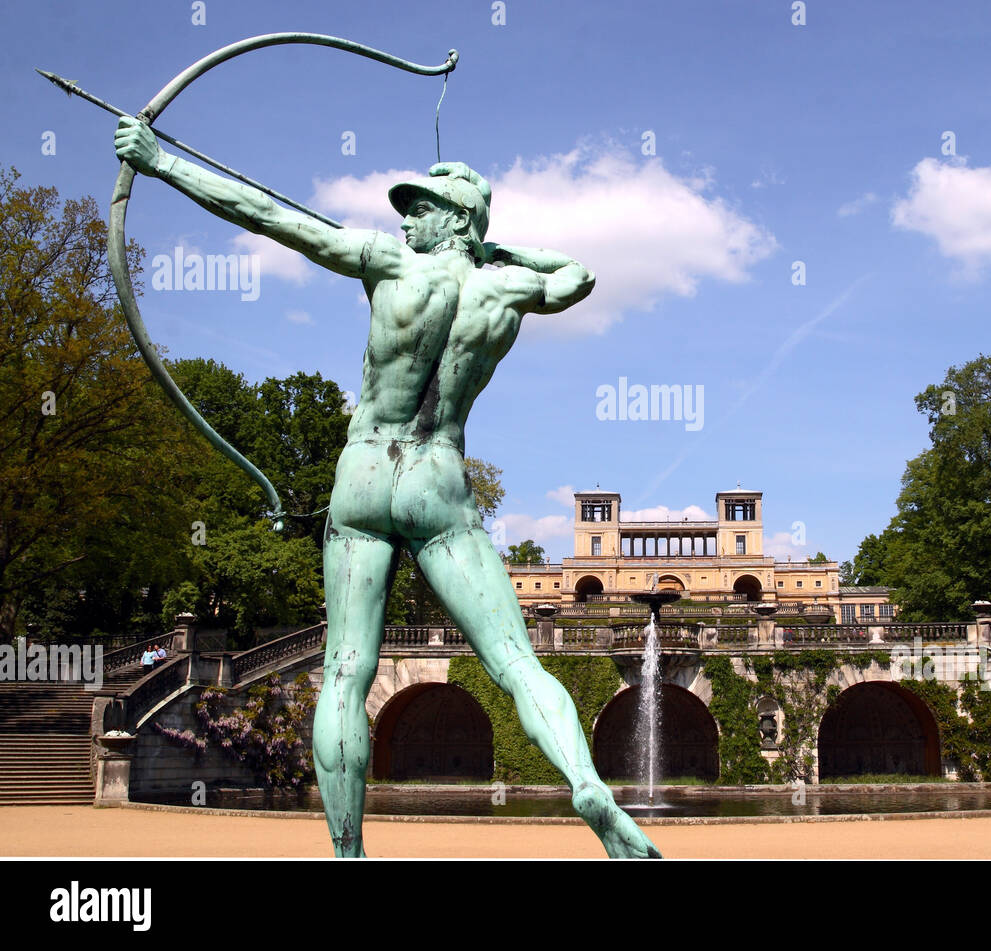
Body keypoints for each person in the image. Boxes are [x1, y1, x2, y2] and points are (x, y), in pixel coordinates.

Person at [114, 117, 660, 859]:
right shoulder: (506, 288)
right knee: (516, 662)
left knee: (344, 671)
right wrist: (491, 247)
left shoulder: (388, 265)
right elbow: (578, 274)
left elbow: (266, 215)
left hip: (366, 471)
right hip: (438, 477)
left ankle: (348, 852)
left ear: (458, 217)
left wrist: (159, 162)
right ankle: (586, 785)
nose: (406, 218)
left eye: (424, 207)